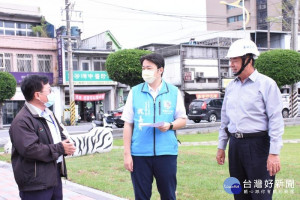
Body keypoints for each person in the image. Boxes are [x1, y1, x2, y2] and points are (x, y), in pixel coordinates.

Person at [216, 39, 284, 200]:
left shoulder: (267, 84)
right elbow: (225, 120)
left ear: (249, 60)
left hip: (258, 146)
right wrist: (221, 146)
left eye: (235, 60)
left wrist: (274, 153)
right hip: (235, 146)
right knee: (239, 194)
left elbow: (275, 119)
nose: (231, 64)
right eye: (230, 60)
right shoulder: (231, 87)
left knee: (261, 195)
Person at [122, 53, 187, 200]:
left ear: (160, 70)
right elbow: (128, 123)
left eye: (149, 68)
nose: (145, 71)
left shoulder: (173, 92)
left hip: (166, 154)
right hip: (139, 154)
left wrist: (169, 125)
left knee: (168, 195)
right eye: (143, 68)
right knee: (141, 196)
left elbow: (182, 120)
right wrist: (127, 154)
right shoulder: (135, 91)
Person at [9, 75, 76, 200]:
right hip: (35, 182)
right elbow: (30, 149)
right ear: (37, 95)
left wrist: (68, 146)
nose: (52, 93)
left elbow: (60, 135)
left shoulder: (48, 114)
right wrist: (61, 148)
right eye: (49, 90)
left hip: (53, 175)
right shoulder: (22, 121)